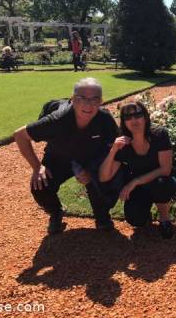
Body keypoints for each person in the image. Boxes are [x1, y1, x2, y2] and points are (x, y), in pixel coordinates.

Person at [14, 78, 120, 234]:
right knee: (40, 185)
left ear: (101, 101)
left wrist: (92, 173)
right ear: (72, 99)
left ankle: (102, 215)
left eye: (94, 99)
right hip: (59, 157)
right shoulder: (57, 119)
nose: (88, 104)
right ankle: (56, 212)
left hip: (89, 158)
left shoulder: (105, 119)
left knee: (103, 176)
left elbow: (113, 149)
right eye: (82, 98)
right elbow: (19, 135)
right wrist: (37, 167)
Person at [98, 102, 176, 239]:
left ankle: (164, 219)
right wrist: (113, 150)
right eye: (128, 117)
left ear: (145, 117)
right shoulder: (124, 143)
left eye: (138, 114)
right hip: (140, 187)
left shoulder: (159, 135)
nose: (133, 120)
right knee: (135, 219)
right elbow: (104, 177)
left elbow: (165, 169)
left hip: (160, 180)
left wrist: (134, 181)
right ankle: (146, 212)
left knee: (162, 184)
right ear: (124, 122)